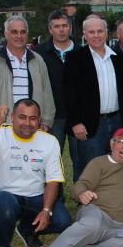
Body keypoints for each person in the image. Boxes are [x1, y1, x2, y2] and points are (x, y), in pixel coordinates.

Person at [0, 99, 72, 247]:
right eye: (22, 117)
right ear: (12, 117)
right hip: (1, 195)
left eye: (33, 118)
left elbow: (53, 180)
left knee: (63, 221)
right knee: (7, 207)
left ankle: (26, 228)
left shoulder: (49, 141)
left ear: (39, 120)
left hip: (34, 196)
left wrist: (46, 210)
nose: (27, 123)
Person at [29, 128, 123, 247]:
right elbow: (80, 185)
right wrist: (82, 193)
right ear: (112, 144)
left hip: (119, 225)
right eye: (120, 142)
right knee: (92, 225)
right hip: (96, 212)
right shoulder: (99, 163)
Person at [63, 15, 123, 181]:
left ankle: (110, 202)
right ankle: (86, 203)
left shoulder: (117, 58)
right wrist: (76, 122)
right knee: (90, 167)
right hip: (90, 124)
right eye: (91, 32)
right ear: (84, 34)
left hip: (117, 120)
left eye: (100, 31)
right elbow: (69, 93)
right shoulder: (75, 58)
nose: (96, 35)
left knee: (116, 166)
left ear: (107, 33)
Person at [0, 16, 55, 129]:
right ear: (6, 33)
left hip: (32, 127)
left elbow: (47, 93)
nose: (19, 36)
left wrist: (46, 121)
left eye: (23, 32)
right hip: (3, 128)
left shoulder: (37, 60)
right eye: (14, 32)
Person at [34, 10, 76, 155]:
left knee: (81, 161)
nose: (61, 30)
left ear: (70, 27)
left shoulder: (82, 52)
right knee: (50, 159)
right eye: (57, 26)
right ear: (50, 29)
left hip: (77, 117)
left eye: (64, 25)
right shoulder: (38, 53)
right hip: (51, 117)